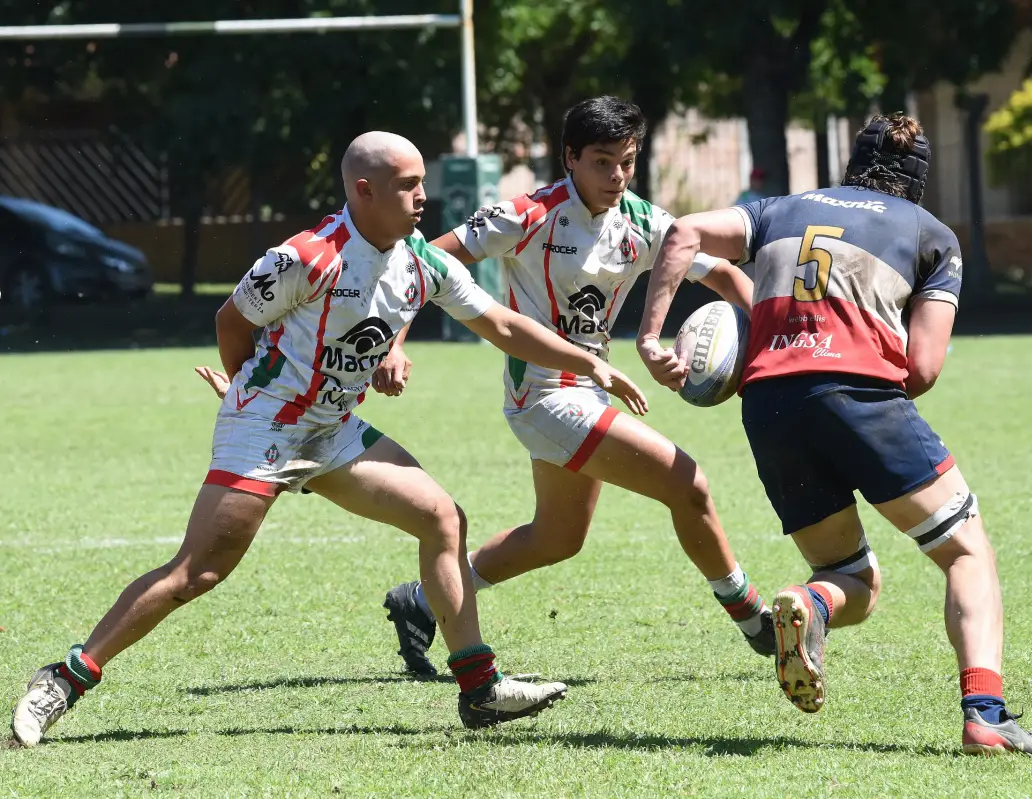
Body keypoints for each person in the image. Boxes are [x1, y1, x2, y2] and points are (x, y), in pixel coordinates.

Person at [10, 131, 652, 747]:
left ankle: (479, 689)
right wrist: (247, 393)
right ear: (364, 190)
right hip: (267, 426)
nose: (423, 197)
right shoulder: (307, 257)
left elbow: (503, 324)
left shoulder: (420, 260)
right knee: (197, 572)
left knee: (442, 518)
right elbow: (231, 320)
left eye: (424, 183)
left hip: (335, 430)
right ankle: (62, 681)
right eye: (408, 186)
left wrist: (590, 362)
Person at [635, 113, 1032, 756]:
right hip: (861, 401)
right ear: (914, 182)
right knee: (967, 554)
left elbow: (683, 230)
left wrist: (649, 336)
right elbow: (922, 368)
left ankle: (810, 602)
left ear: (853, 166)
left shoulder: (779, 208)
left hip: (770, 406)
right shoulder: (930, 235)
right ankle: (985, 715)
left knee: (846, 574)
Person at [381, 96, 775, 678]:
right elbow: (423, 261)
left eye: (627, 161)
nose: (617, 176)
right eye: (601, 161)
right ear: (570, 157)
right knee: (687, 483)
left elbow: (721, 271)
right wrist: (393, 341)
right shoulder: (528, 213)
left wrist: (767, 339)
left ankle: (419, 599)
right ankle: (753, 619)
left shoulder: (642, 221)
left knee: (558, 537)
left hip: (589, 390)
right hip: (540, 395)